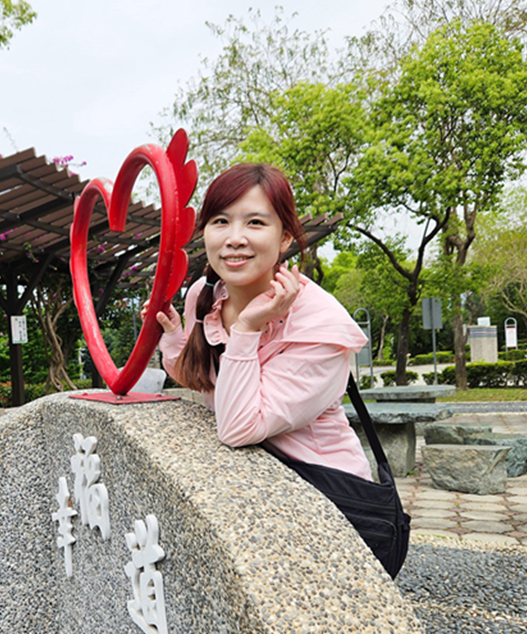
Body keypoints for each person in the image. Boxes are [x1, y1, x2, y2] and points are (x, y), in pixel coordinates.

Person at [149, 162, 373, 481]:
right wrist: (172, 333)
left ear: (284, 238)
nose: (235, 238)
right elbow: (203, 381)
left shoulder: (320, 323)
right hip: (250, 481)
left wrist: (247, 329)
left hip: (325, 495)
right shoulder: (204, 295)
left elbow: (238, 428)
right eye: (221, 221)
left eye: (255, 222)